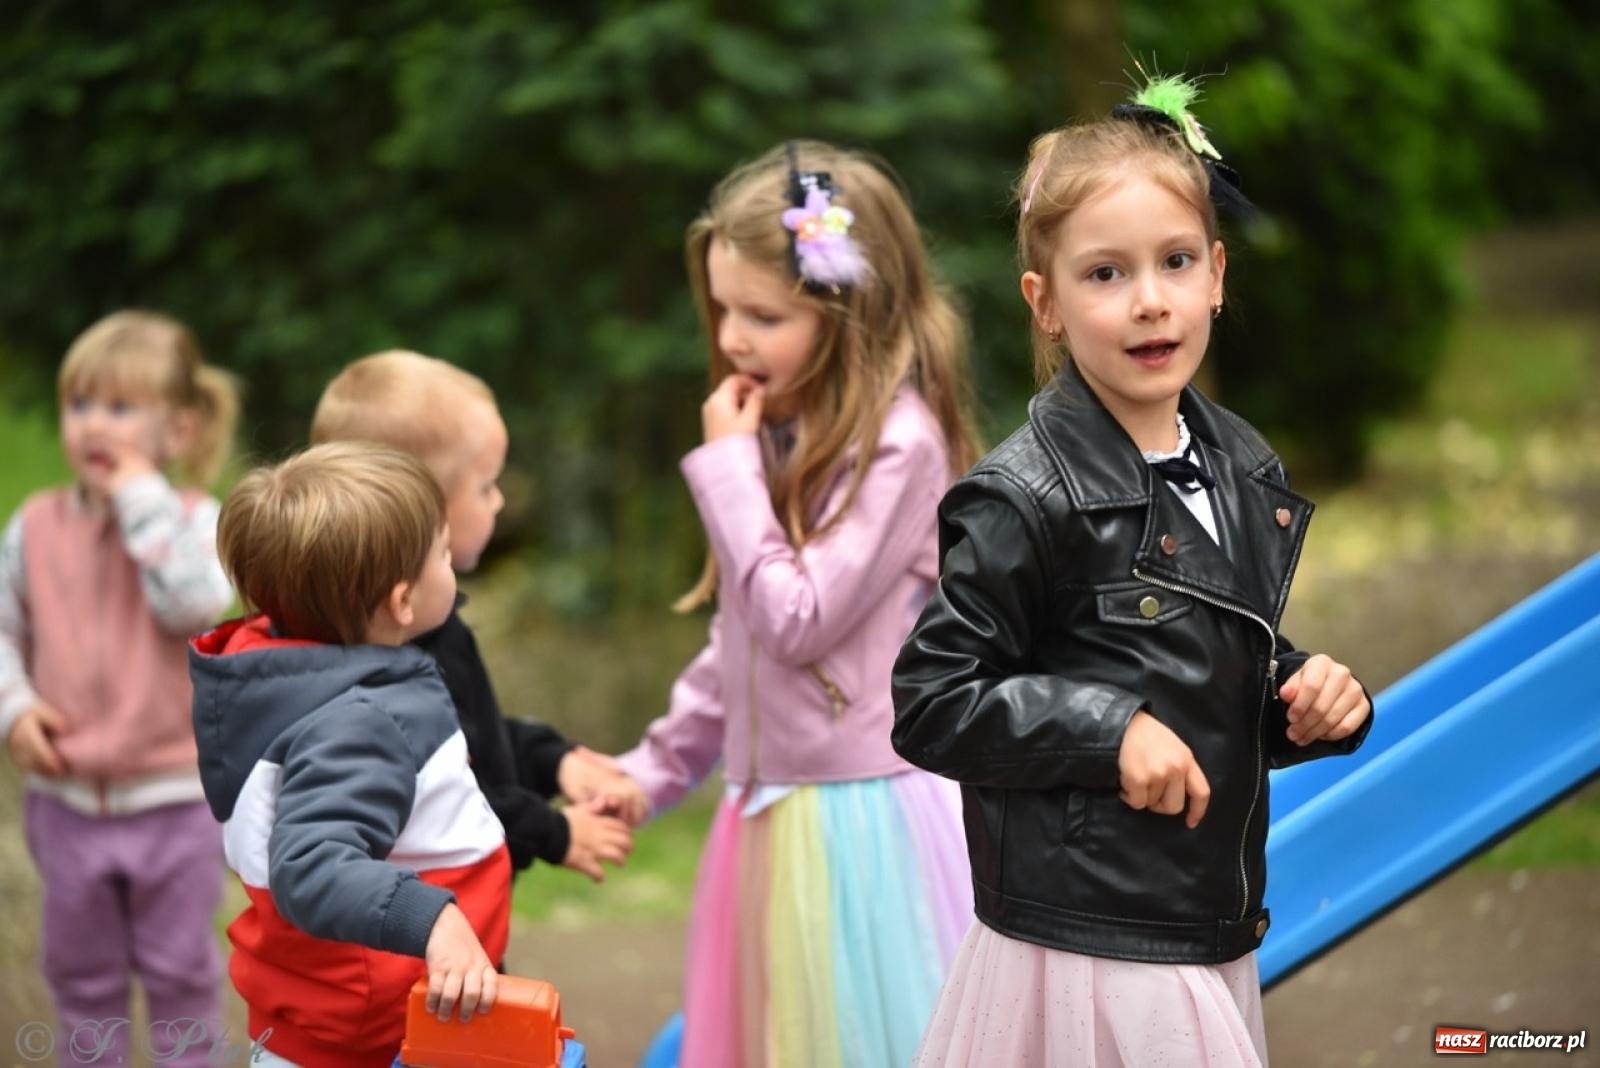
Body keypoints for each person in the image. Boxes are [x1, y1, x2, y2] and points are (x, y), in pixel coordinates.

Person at [891, 75, 1375, 1066]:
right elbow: (932, 698)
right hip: (1092, 933)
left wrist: (1298, 692)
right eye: (1104, 274)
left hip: (1205, 908)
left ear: (1217, 276)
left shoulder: (1241, 465)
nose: (1150, 300)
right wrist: (1107, 734)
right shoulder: (1021, 496)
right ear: (1046, 304)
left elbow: (1203, 659)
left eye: (1174, 261)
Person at [615, 140, 982, 1067]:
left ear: (847, 309)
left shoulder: (900, 447)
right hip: (770, 818)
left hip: (859, 829)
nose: (733, 339)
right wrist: (652, 773)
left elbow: (795, 618)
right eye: (723, 311)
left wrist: (731, 473)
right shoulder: (779, 435)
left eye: (763, 315)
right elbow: (741, 639)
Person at [189, 442, 510, 1067]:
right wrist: (434, 921)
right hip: (370, 1037)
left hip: (350, 1018)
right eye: (442, 554)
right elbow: (310, 865)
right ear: (401, 603)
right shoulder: (361, 721)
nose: (453, 565)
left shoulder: (298, 685)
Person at [0, 310, 238, 1068]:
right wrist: (14, 709)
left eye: (121, 407)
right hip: (67, 807)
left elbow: (192, 606)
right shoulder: (34, 527)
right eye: (80, 404)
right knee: (83, 979)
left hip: (176, 806)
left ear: (180, 432)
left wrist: (143, 501)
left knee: (180, 975)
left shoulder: (202, 523)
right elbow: (3, 632)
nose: (94, 424)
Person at [311, 350, 641, 883]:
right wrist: (555, 832)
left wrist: (555, 760)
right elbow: (452, 795)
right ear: (424, 515)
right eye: (486, 485)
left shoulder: (431, 626)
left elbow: (477, 745)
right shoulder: (386, 663)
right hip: (424, 942)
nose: (500, 501)